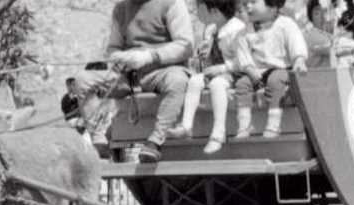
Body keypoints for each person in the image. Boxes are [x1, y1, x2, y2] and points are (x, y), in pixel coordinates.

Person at [74, 0, 194, 163]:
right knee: (82, 80)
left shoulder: (172, 4)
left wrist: (150, 56)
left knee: (178, 80)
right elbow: (113, 48)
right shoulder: (121, 9)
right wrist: (120, 57)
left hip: (162, 72)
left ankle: (155, 141)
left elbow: (185, 45)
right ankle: (99, 140)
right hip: (129, 75)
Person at [168, 0, 246, 154]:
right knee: (195, 80)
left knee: (217, 84)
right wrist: (205, 54)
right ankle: (186, 126)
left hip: (235, 73)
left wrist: (221, 68)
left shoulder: (237, 29)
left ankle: (218, 134)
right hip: (217, 71)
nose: (196, 12)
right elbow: (211, 56)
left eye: (199, 8)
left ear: (214, 12)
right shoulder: (211, 29)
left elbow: (244, 61)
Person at [234, 0, 308, 138]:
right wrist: (250, 69)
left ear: (272, 5)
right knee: (242, 84)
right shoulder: (245, 31)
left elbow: (296, 43)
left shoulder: (286, 24)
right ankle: (244, 125)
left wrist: (299, 59)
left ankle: (273, 124)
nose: (248, 6)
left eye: (253, 2)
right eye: (246, 3)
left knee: (275, 81)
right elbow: (242, 54)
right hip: (256, 71)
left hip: (280, 68)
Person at [303, 0, 334, 68]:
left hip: (326, 76)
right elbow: (335, 48)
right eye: (317, 13)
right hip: (314, 77)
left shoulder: (326, 35)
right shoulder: (311, 35)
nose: (322, 16)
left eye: (324, 12)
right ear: (311, 17)